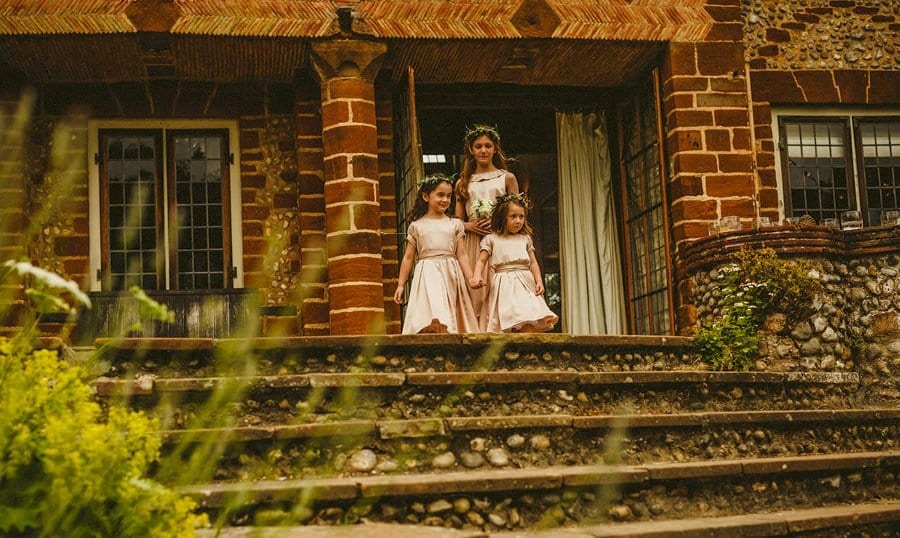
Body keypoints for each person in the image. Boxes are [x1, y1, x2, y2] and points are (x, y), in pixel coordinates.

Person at [394, 174, 479, 334]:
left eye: (448, 196)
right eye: (440, 195)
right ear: (426, 196)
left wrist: (470, 277)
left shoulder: (454, 224)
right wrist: (400, 284)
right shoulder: (417, 226)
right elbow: (408, 257)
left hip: (450, 271)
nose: (445, 200)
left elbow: (461, 254)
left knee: (449, 308)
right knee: (433, 306)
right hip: (428, 272)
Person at [454, 125, 519, 318]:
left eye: (488, 146)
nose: (483, 150)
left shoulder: (507, 178)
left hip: (499, 239)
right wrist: (470, 225)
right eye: (478, 146)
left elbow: (517, 212)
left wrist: (499, 223)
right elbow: (456, 221)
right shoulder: (463, 182)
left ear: (495, 149)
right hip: (473, 241)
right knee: (477, 288)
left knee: (499, 286)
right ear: (471, 151)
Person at [470, 193, 558, 333]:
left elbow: (533, 263)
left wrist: (539, 281)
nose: (518, 221)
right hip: (503, 282)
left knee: (528, 313)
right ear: (502, 217)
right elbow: (481, 260)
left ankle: (527, 343)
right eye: (513, 217)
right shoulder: (491, 239)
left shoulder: (525, 239)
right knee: (508, 314)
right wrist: (476, 276)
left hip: (525, 281)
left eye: (521, 217)